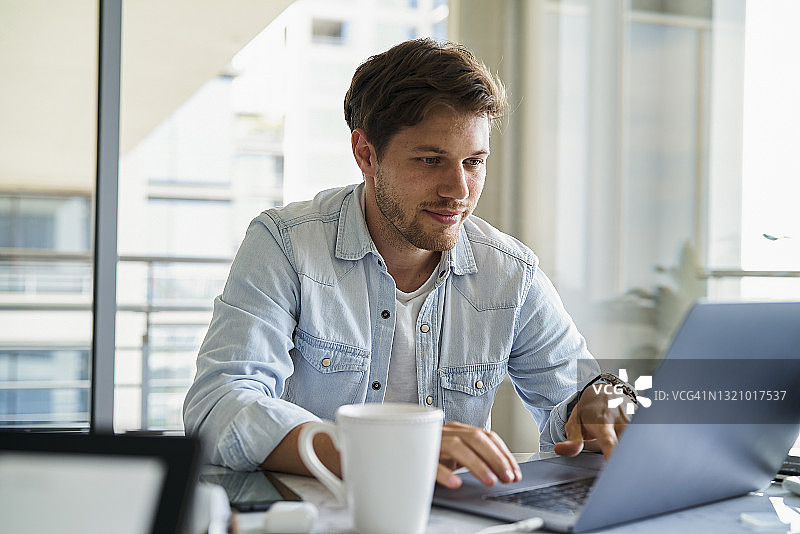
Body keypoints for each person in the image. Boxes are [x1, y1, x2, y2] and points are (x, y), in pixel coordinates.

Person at [183, 38, 632, 490]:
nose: (458, 190)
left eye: (474, 162)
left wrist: (600, 408)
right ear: (366, 154)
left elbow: (577, 401)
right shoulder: (285, 244)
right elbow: (221, 404)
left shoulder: (510, 273)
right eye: (430, 160)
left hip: (456, 520)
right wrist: (382, 453)